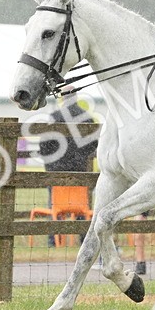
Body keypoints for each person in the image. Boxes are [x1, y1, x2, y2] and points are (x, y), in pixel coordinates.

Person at [37, 92, 99, 246]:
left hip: (56, 169)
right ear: (76, 97)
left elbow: (44, 144)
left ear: (63, 98)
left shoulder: (54, 117)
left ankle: (54, 240)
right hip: (79, 168)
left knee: (55, 204)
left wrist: (50, 164)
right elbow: (93, 143)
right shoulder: (85, 117)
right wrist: (81, 156)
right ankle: (82, 237)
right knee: (81, 205)